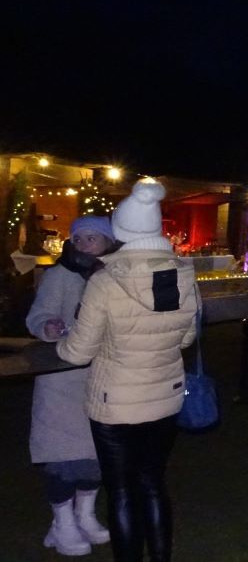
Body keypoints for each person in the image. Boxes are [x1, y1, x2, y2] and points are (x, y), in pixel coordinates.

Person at [56, 178, 200, 561]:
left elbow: (77, 352)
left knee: (120, 490)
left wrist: (60, 344)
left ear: (120, 233)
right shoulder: (182, 275)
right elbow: (186, 338)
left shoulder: (105, 282)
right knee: (152, 482)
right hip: (165, 397)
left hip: (115, 403)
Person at [26, 216, 116, 557]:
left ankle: (85, 515)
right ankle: (62, 522)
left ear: (108, 243)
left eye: (92, 238)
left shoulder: (112, 277)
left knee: (95, 453)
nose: (83, 244)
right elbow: (38, 315)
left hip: (101, 377)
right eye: (79, 238)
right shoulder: (59, 275)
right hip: (61, 379)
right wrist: (46, 326)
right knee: (62, 455)